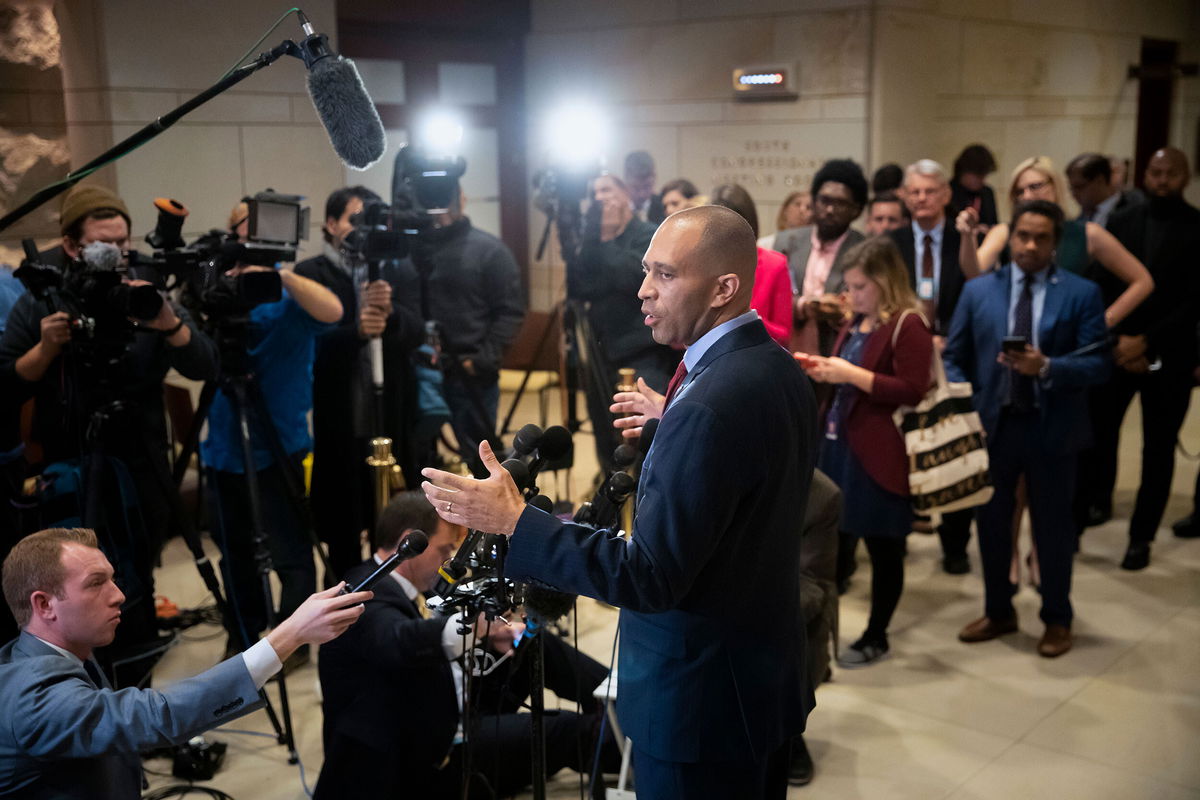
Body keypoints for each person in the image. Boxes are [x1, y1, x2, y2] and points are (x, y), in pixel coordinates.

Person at [422, 205, 817, 798]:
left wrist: (515, 522)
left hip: (700, 703)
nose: (642, 291)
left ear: (724, 288)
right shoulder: (773, 369)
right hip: (758, 683)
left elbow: (650, 577)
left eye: (664, 275)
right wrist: (675, 419)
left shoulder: (711, 407)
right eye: (645, 271)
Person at [0, 182, 217, 683]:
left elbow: (206, 362)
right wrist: (47, 347)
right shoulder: (44, 294)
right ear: (72, 246)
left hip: (142, 458)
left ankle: (137, 689)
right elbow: (6, 384)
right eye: (103, 244)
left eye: (123, 242)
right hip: (74, 461)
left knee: (137, 574)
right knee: (77, 584)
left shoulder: (141, 281)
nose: (117, 253)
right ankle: (82, 692)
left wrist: (167, 322)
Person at [0, 527, 370, 799]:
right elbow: (154, 717)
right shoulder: (33, 697)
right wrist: (289, 635)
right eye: (96, 583)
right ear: (44, 604)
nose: (119, 595)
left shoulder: (60, 654)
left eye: (113, 579)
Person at [315, 491, 614, 800]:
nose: (449, 559)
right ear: (409, 543)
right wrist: (476, 626)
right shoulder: (364, 594)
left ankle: (620, 700)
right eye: (444, 549)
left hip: (448, 706)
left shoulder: (401, 584)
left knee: (533, 643)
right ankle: (632, 742)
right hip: (430, 753)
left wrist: (487, 633)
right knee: (564, 730)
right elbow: (400, 640)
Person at [942, 200, 1109, 658]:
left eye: (1041, 238)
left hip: (1052, 426)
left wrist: (1047, 366)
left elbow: (1099, 362)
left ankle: (1057, 618)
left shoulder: (1080, 293)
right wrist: (968, 400)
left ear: (1056, 243)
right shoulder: (980, 291)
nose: (1030, 245)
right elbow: (953, 354)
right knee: (992, 526)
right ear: (1010, 236)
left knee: (1053, 529)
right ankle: (999, 611)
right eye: (1022, 236)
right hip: (993, 426)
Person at [201, 199, 343, 661]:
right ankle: (243, 635)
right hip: (225, 444)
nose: (257, 234)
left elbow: (334, 311)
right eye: (247, 226)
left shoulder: (290, 292)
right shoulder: (216, 287)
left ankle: (293, 639)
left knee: (292, 549)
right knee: (234, 550)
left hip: (282, 445)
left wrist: (276, 271)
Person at [795, 237, 933, 667]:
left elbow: (913, 389)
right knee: (830, 550)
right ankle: (822, 640)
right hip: (839, 447)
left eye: (860, 287)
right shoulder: (857, 322)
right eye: (850, 287)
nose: (851, 296)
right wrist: (824, 370)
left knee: (884, 550)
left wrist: (850, 374)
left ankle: (877, 634)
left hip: (879, 456)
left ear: (885, 282)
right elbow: (846, 378)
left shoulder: (908, 324)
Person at [294, 186, 424, 578]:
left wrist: (391, 315)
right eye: (354, 219)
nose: (363, 230)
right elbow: (306, 345)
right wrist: (355, 332)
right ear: (331, 224)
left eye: (372, 219)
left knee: (395, 519)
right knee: (344, 526)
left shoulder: (395, 267)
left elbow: (419, 330)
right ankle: (345, 614)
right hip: (341, 417)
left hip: (391, 413)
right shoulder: (311, 274)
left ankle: (395, 601)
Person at [1082, 147, 1200, 569]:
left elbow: (1193, 302)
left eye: (1171, 172)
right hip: (1119, 351)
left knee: (1158, 446)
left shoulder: (1195, 227)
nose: (1162, 179)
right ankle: (1094, 504)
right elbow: (1104, 285)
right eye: (1156, 171)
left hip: (1167, 355)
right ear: (1145, 174)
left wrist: (1147, 342)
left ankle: (1141, 537)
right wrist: (1117, 339)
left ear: (1185, 177)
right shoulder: (1122, 220)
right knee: (1100, 434)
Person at [404, 184, 525, 477]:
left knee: (481, 462)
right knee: (416, 461)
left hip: (471, 374)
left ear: (463, 198)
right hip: (416, 373)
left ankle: (486, 523)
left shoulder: (490, 250)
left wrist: (481, 361)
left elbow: (510, 312)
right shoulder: (408, 252)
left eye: (445, 193)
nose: (439, 202)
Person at [888, 159, 974, 574]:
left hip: (957, 354)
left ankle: (955, 543)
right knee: (906, 447)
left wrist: (948, 340)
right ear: (905, 196)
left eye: (930, 191)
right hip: (907, 353)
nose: (921, 198)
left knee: (953, 444)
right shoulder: (893, 242)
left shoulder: (965, 239)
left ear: (946, 195)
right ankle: (901, 531)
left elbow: (978, 293)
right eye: (914, 191)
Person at [958, 156, 1152, 329]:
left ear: (1054, 185)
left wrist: (1102, 323)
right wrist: (967, 236)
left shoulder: (1087, 233)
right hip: (1019, 329)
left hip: (1067, 337)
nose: (1026, 196)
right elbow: (973, 271)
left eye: (1035, 186)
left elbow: (1142, 281)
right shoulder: (1004, 231)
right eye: (1019, 191)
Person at [570, 173, 680, 474]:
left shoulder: (647, 234)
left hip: (641, 353)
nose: (599, 198)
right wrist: (595, 236)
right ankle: (612, 506)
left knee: (644, 435)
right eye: (594, 192)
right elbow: (578, 286)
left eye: (606, 190)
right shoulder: (592, 240)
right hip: (600, 354)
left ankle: (647, 503)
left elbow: (632, 276)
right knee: (606, 434)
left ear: (626, 195)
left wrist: (604, 239)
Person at [774, 159, 868, 357]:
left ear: (856, 210)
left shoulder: (865, 250)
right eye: (825, 200)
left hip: (839, 356)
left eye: (840, 203)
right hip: (787, 354)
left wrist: (842, 309)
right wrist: (803, 306)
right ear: (814, 201)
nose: (830, 210)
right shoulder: (787, 242)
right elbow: (771, 296)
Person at [710, 183, 794, 346]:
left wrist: (746, 318)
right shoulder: (703, 263)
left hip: (758, 359)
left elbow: (784, 334)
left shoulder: (775, 264)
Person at [1066, 152, 1143, 228]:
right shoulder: (1083, 215)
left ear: (1100, 180)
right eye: (1071, 188)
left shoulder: (1132, 210)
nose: (1074, 194)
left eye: (1079, 187)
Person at [950, 144, 999, 231]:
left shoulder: (987, 192)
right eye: (978, 175)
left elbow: (994, 225)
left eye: (984, 175)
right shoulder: (948, 192)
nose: (982, 180)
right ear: (963, 170)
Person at [624, 149, 665, 224]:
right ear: (626, 178)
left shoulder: (665, 208)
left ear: (655, 178)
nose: (641, 194)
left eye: (647, 187)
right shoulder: (616, 210)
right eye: (636, 188)